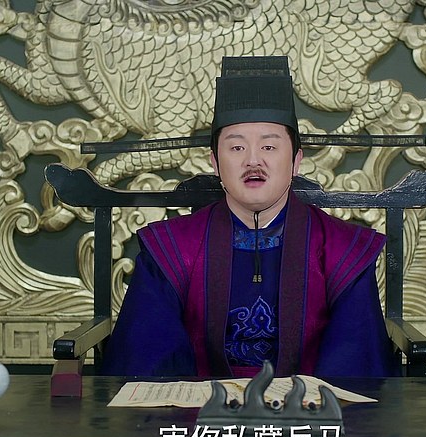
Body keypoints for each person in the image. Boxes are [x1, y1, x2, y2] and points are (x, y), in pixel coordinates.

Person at [100, 56, 398, 378]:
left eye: (269, 147)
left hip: (307, 405)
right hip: (200, 406)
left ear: (296, 162)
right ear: (215, 162)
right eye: (237, 148)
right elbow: (147, 360)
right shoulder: (171, 249)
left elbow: (355, 364)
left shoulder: (341, 250)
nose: (253, 161)